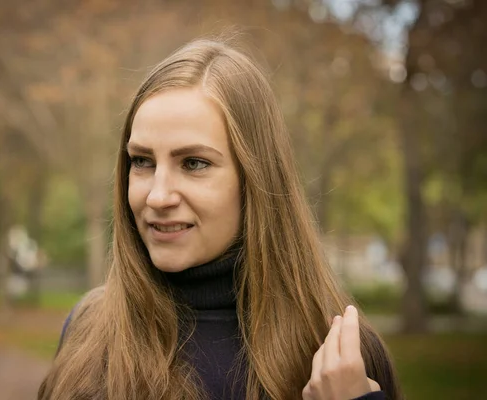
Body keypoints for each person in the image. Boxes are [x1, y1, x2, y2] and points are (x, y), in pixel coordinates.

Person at [38, 38, 403, 400]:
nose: (158, 196)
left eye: (194, 163)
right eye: (142, 161)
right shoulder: (88, 331)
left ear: (255, 180)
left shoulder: (340, 358)